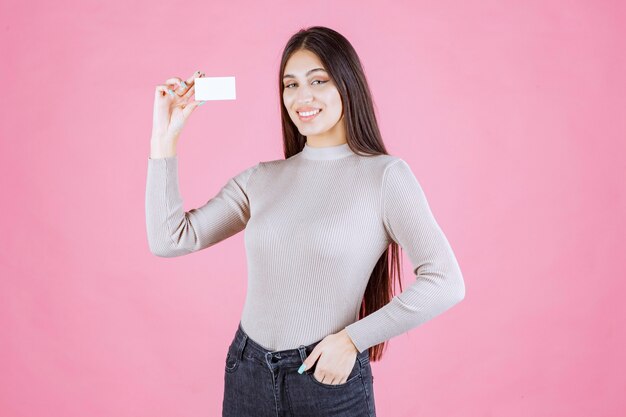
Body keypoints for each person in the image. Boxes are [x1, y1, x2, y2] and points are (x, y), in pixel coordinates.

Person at [145, 26, 465, 417]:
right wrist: (165, 137)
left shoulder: (386, 177)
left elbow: (446, 281)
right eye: (290, 84)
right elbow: (170, 239)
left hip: (326, 380)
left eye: (318, 81)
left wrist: (352, 340)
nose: (302, 97)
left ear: (348, 85)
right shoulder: (262, 179)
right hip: (247, 373)